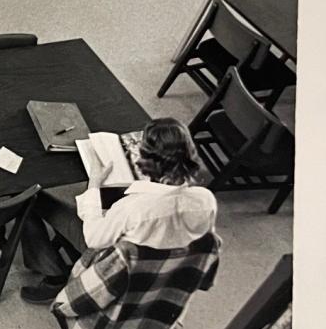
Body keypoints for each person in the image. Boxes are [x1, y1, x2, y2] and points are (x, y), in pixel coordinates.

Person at [18, 118, 218, 304]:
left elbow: (94, 239)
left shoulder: (134, 208)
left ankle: (53, 275)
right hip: (165, 269)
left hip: (114, 264)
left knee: (34, 198)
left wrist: (94, 185)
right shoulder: (206, 199)